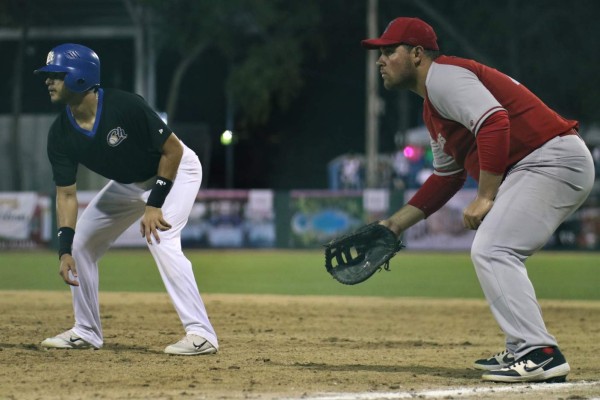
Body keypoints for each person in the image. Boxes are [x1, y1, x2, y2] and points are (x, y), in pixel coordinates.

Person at [362, 18, 594, 383]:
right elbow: (447, 177)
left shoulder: (444, 77)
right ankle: (522, 346)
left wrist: (486, 196)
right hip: (538, 163)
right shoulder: (432, 108)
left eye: (390, 51)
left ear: (418, 54)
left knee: (494, 249)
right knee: (493, 248)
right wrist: (394, 225)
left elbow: (495, 122)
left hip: (550, 159)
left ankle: (540, 353)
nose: (380, 60)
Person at [35, 43, 218, 355]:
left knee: (161, 237)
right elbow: (66, 194)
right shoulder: (60, 134)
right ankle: (86, 331)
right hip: (128, 184)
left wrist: (154, 203)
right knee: (82, 246)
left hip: (176, 170)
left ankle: (202, 334)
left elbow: (172, 150)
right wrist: (64, 250)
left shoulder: (124, 105)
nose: (48, 81)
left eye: (56, 74)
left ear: (80, 77)